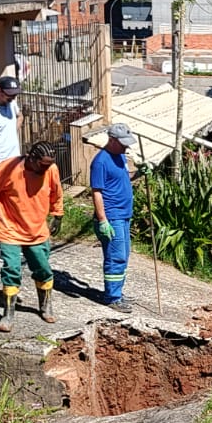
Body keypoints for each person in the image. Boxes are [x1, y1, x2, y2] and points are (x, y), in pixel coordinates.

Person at [0, 141, 63, 333]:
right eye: (42, 165)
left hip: (37, 229)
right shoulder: (9, 169)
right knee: (11, 269)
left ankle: (46, 305)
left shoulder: (51, 169)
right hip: (10, 229)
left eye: (48, 165)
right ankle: (8, 313)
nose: (45, 169)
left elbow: (56, 192)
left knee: (43, 268)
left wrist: (58, 214)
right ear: (31, 158)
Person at [90, 123, 136, 308]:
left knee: (124, 255)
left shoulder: (120, 156)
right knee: (115, 257)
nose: (125, 147)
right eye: (122, 143)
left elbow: (121, 178)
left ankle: (117, 291)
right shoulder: (101, 161)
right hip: (112, 217)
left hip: (124, 215)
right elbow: (97, 191)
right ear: (111, 140)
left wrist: (140, 172)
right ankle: (112, 297)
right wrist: (102, 220)